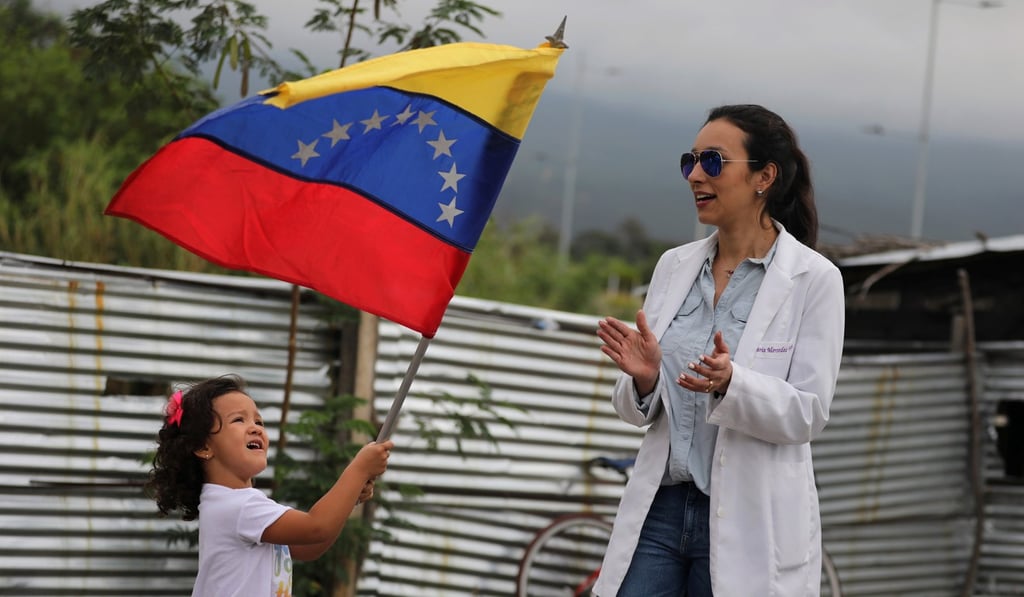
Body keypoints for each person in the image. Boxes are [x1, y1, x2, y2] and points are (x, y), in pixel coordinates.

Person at [593, 104, 845, 597]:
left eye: (713, 161)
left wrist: (734, 384)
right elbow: (637, 410)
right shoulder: (674, 267)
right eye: (690, 161)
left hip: (747, 516)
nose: (695, 175)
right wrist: (645, 379)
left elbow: (808, 414)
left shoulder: (814, 279)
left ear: (763, 177)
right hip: (661, 511)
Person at [145, 374, 393, 597]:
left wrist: (349, 498)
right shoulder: (239, 506)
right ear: (203, 447)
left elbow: (308, 547)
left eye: (259, 422)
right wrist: (359, 468)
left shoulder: (234, 503)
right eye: (238, 420)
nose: (255, 428)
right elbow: (317, 528)